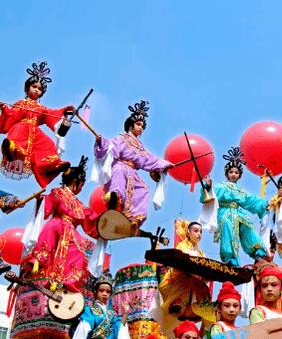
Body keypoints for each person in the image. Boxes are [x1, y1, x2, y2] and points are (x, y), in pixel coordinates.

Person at [92, 100, 173, 229]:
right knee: (118, 183)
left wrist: (165, 164)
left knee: (144, 188)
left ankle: (134, 217)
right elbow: (111, 146)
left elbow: (150, 159)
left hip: (132, 172)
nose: (141, 128)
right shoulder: (122, 138)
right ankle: (115, 203)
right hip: (120, 166)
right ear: (131, 125)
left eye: (142, 126)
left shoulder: (140, 146)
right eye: (138, 124)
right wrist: (102, 141)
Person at [25, 156, 100, 292]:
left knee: (79, 251)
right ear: (76, 181)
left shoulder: (79, 204)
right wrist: (40, 201)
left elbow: (91, 220)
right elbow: (46, 208)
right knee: (50, 234)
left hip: (71, 233)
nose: (81, 189)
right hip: (57, 225)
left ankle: (67, 283)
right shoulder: (57, 193)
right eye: (82, 185)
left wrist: (105, 224)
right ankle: (38, 260)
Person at [0, 61, 74, 187]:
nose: (36, 90)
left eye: (40, 89)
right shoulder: (20, 103)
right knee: (17, 139)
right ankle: (11, 150)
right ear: (27, 88)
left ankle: (51, 166)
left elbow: (52, 114)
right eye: (34, 86)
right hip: (21, 128)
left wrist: (65, 109)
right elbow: (12, 114)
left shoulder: (41, 108)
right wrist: (5, 108)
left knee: (47, 144)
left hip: (35, 132)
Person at [200, 147, 268, 266]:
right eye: (231, 172)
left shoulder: (240, 190)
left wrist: (265, 204)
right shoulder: (221, 186)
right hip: (225, 212)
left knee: (247, 225)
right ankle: (230, 257)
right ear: (227, 174)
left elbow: (250, 200)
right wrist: (208, 187)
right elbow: (210, 196)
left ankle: (257, 250)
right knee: (228, 228)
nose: (233, 175)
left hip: (237, 212)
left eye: (236, 173)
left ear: (239, 175)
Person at [159, 221, 211, 320]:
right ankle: (178, 305)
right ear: (188, 232)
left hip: (196, 279)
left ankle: (195, 309)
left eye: (201, 232)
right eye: (196, 231)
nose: (199, 234)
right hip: (181, 277)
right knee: (189, 281)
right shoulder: (182, 246)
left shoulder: (201, 253)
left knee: (201, 287)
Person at [72, 271, 130, 339]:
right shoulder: (89, 310)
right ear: (95, 292)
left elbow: (119, 328)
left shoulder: (112, 313)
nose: (105, 294)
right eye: (101, 290)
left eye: (108, 292)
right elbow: (83, 330)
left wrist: (125, 312)